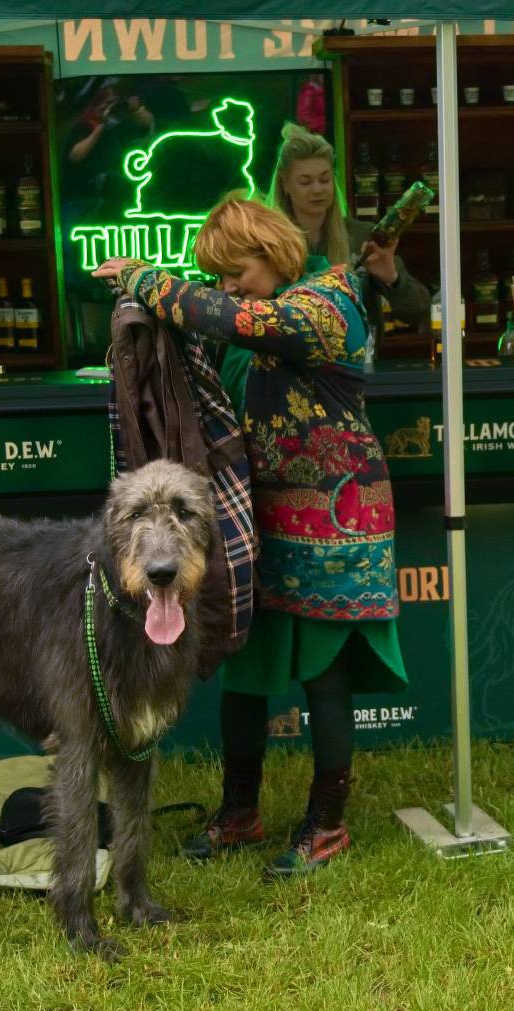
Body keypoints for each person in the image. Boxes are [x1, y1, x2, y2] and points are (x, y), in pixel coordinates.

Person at [94, 192, 407, 877]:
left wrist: (148, 279)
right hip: (255, 519)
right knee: (246, 664)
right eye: (220, 274)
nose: (227, 284)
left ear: (270, 250)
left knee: (324, 675)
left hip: (337, 520)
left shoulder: (329, 303)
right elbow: (209, 326)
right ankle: (240, 811)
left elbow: (237, 317)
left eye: (235, 269)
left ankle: (327, 825)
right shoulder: (258, 309)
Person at [268, 122, 432, 355]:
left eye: (325, 180)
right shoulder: (268, 243)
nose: (317, 189)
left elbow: (419, 310)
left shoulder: (362, 236)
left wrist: (391, 277)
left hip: (356, 371)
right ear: (285, 184)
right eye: (305, 182)